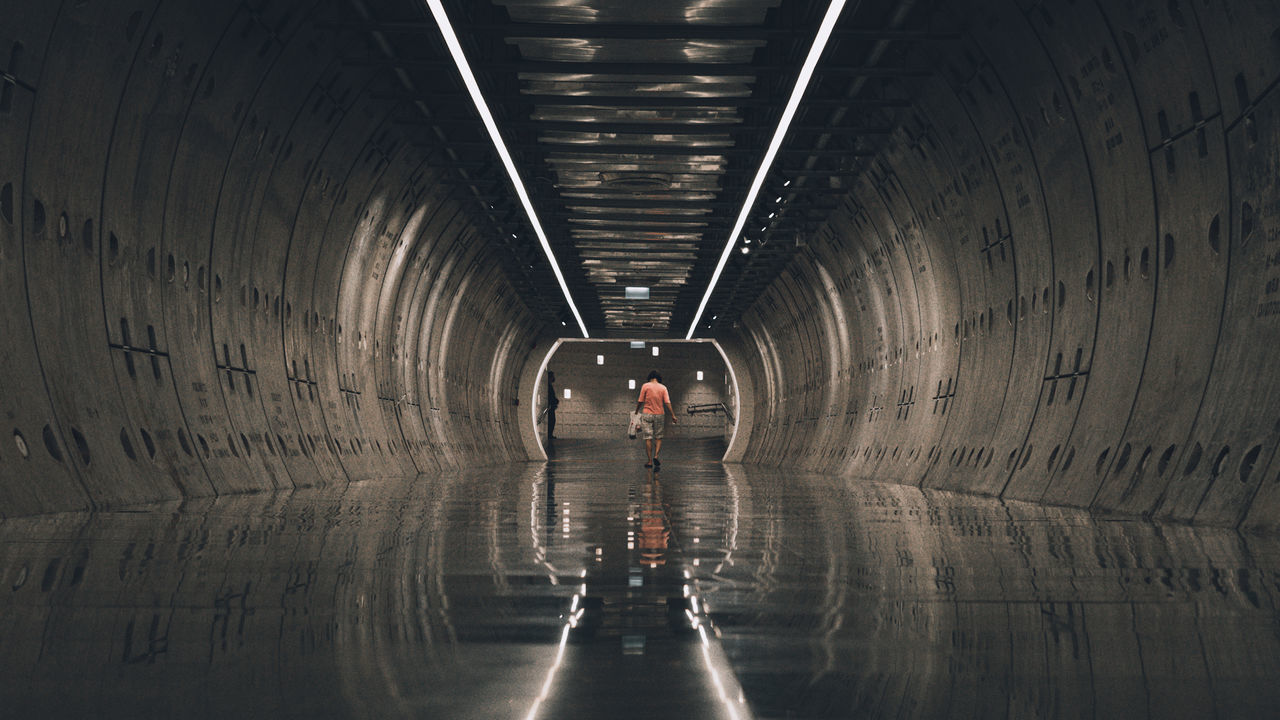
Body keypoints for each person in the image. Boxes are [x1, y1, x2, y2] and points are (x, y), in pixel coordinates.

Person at [634, 370, 677, 468]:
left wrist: (636, 411)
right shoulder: (663, 388)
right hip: (659, 415)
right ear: (659, 378)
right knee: (658, 437)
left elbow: (640, 400)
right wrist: (673, 415)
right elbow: (667, 402)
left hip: (647, 414)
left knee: (648, 438)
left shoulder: (645, 386)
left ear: (650, 377)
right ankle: (656, 455)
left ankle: (649, 461)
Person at [546, 370, 558, 440]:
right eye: (552, 376)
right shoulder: (548, 386)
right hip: (550, 407)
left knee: (552, 421)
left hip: (551, 407)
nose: (553, 378)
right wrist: (555, 401)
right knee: (551, 421)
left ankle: (550, 435)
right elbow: (551, 397)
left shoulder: (549, 386)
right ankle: (549, 435)